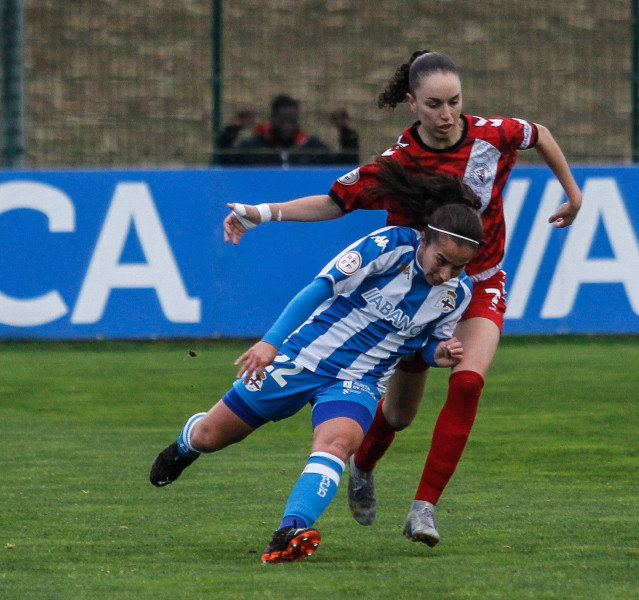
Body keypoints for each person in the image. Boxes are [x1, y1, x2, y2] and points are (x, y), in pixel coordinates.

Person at [221, 50, 582, 546]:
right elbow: (334, 202)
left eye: (455, 101)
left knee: (468, 382)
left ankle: (424, 509)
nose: (448, 113)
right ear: (412, 103)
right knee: (399, 415)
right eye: (435, 103)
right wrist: (260, 212)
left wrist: (573, 193)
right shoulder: (399, 163)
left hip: (481, 282)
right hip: (416, 297)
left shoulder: (492, 135)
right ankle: (364, 465)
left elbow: (538, 133)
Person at [150, 173, 484, 564]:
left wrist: (436, 354)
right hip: (301, 359)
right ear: (425, 239)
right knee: (211, 436)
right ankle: (186, 444)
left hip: (359, 381)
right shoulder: (388, 246)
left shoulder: (456, 295)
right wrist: (270, 342)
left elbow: (422, 344)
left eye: (458, 267)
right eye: (441, 261)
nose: (445, 274)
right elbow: (320, 288)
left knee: (336, 445)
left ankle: (290, 530)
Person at [215, 94, 359, 167]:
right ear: (272, 119)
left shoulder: (312, 148)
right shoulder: (253, 147)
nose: (288, 125)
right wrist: (233, 129)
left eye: (292, 121)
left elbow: (345, 168)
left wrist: (346, 132)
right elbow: (223, 162)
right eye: (283, 120)